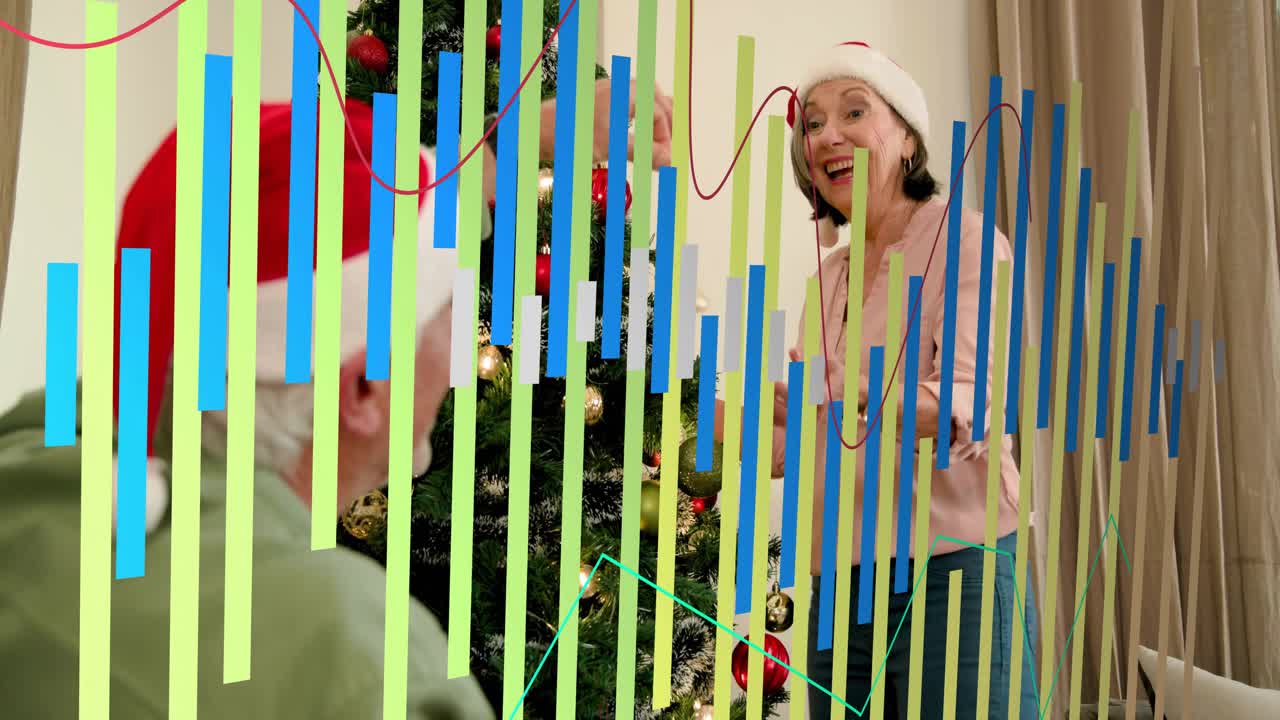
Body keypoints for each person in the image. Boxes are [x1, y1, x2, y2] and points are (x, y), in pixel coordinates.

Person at [0, 79, 673, 717]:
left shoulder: (27, 466)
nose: (464, 367)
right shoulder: (359, 662)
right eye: (450, 310)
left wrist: (520, 140)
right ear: (363, 386)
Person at [760, 42, 1036, 719]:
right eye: (813, 123)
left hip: (956, 566)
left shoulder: (968, 243)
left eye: (854, 112)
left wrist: (850, 383)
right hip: (841, 584)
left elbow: (965, 410)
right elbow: (810, 447)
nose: (827, 136)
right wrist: (749, 424)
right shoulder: (825, 280)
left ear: (908, 139)